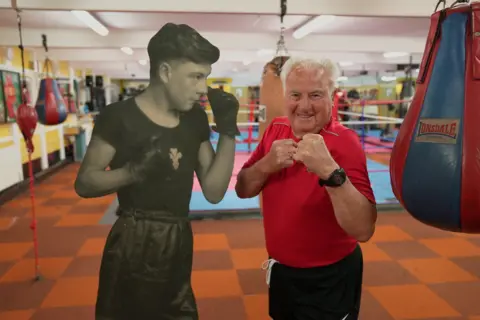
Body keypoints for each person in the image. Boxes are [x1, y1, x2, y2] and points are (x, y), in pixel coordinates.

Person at [74, 23, 239, 320]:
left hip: (178, 237)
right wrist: (132, 172)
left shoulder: (194, 119)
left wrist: (227, 131)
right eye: (196, 76)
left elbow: (214, 192)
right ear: (165, 73)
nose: (203, 88)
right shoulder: (119, 117)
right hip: (133, 240)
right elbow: (85, 182)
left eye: (206, 77)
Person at [235, 57, 377, 320]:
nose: (304, 106)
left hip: (329, 278)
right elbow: (243, 188)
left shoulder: (346, 142)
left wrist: (331, 174)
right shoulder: (275, 130)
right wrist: (267, 164)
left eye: (315, 95)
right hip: (281, 272)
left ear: (332, 97)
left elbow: (364, 229)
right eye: (295, 95)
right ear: (285, 95)